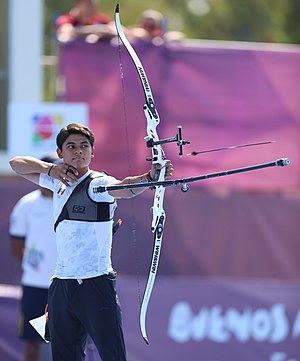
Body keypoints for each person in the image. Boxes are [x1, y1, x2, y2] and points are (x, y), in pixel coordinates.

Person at [9, 123, 173, 361]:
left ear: (92, 152)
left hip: (94, 285)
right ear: (60, 153)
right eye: (71, 146)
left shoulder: (98, 184)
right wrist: (50, 170)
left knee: (112, 355)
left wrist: (149, 177)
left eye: (84, 146)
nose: (78, 151)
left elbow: (125, 187)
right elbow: (16, 164)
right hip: (61, 286)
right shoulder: (56, 182)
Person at [9, 154, 60, 361]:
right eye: (49, 173)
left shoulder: (69, 201)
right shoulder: (26, 204)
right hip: (35, 286)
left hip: (66, 284)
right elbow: (16, 244)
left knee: (70, 341)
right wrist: (32, 268)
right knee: (33, 343)